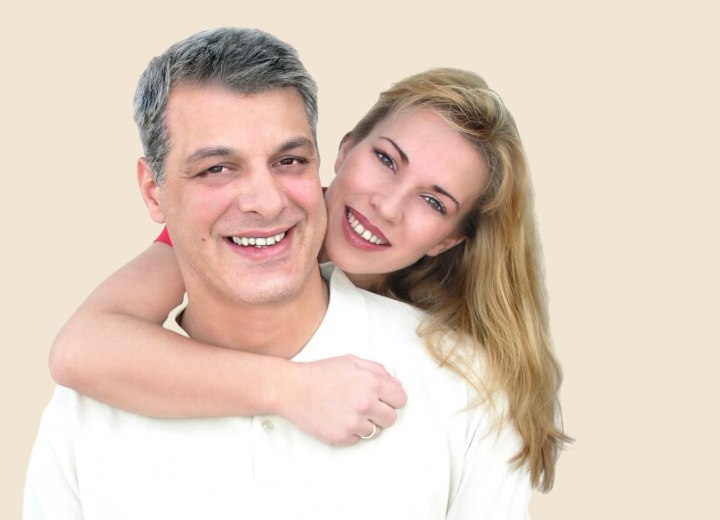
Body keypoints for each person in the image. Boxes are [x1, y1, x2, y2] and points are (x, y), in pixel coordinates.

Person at [25, 27, 538, 519]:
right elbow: (80, 348)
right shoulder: (90, 412)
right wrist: (290, 388)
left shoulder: (459, 385)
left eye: (433, 200)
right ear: (344, 150)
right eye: (216, 169)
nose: (384, 205)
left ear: (450, 240)